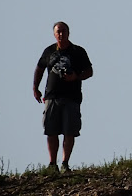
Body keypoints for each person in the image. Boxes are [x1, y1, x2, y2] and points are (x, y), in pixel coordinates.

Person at [33, 21, 93, 172]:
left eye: (63, 31)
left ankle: (65, 163)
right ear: (54, 34)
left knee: (69, 131)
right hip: (51, 97)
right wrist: (35, 87)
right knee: (51, 131)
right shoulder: (48, 51)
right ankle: (52, 165)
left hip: (72, 97)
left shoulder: (78, 52)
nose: (61, 34)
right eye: (58, 31)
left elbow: (89, 71)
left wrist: (76, 77)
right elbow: (39, 68)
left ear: (68, 32)